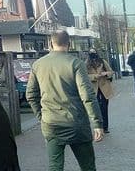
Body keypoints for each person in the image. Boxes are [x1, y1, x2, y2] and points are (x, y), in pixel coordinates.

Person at [26, 30, 103, 171]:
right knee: (88, 166)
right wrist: (97, 123)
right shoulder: (75, 63)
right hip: (76, 123)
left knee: (55, 166)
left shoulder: (37, 65)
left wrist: (41, 117)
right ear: (69, 44)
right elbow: (87, 95)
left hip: (51, 124)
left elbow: (31, 95)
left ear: (50, 43)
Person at [86, 49, 114, 133]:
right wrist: (94, 76)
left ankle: (105, 127)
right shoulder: (86, 63)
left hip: (104, 86)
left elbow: (111, 72)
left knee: (104, 107)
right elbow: (85, 76)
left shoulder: (102, 61)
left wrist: (106, 74)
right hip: (94, 88)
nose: (93, 55)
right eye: (91, 53)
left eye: (94, 53)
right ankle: (99, 126)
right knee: (96, 108)